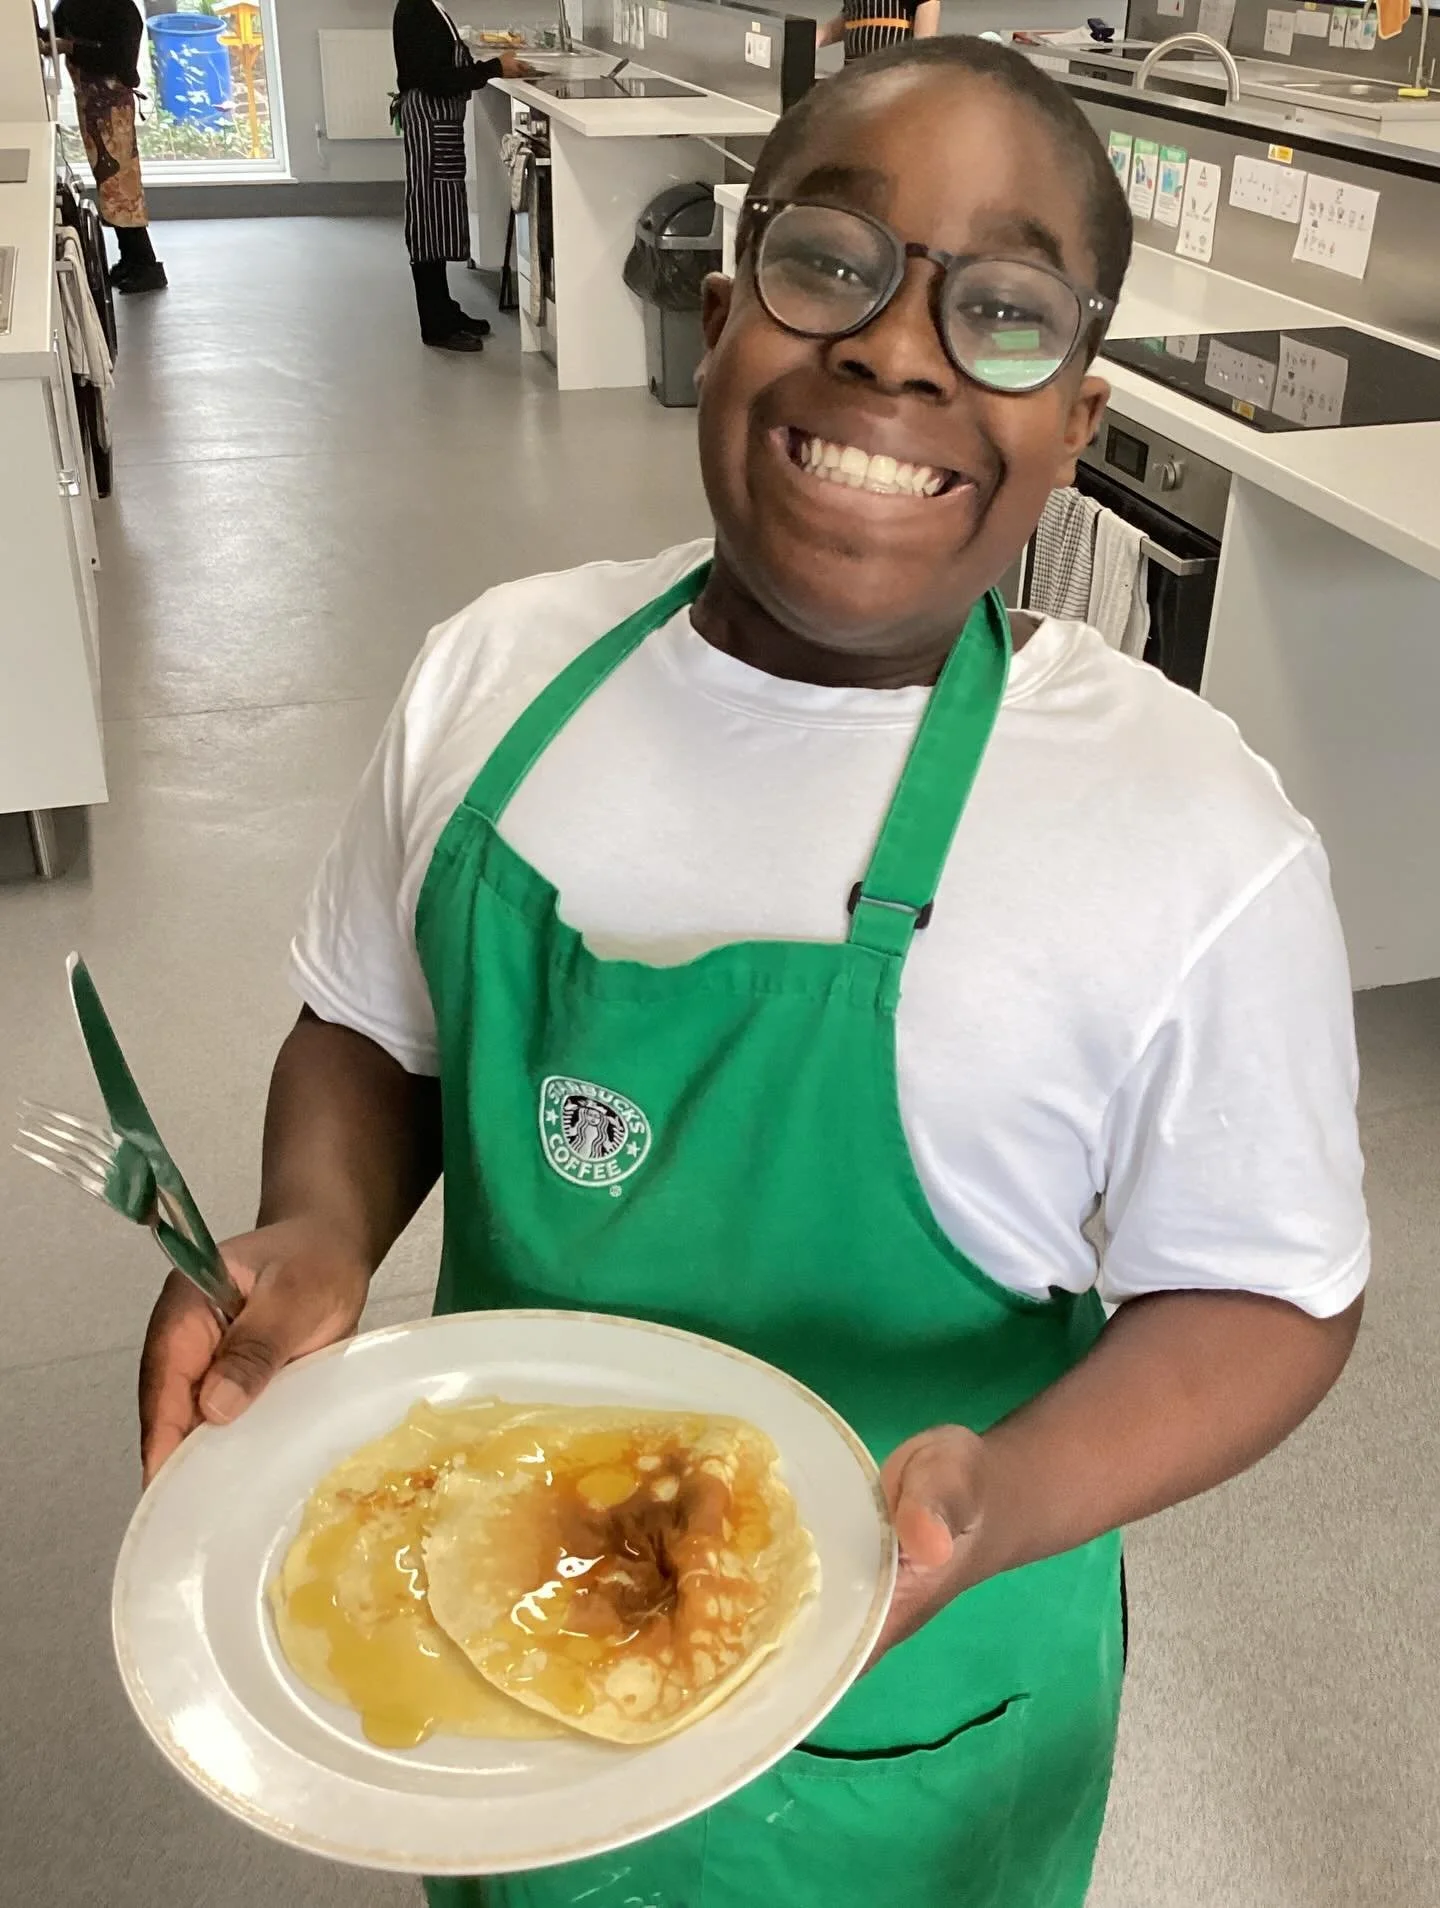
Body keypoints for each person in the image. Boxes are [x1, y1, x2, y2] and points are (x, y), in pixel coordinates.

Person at [138, 36, 1369, 1908]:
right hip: (507, 1678)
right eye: (833, 264)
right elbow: (371, 1026)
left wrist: (1008, 1500)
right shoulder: (495, 677)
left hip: (912, 1723)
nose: (896, 347)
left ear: (1081, 419)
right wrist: (314, 1229)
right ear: (723, 310)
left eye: (1006, 309)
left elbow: (1274, 1295)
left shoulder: (1186, 835)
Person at [392, 0, 532, 352]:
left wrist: (488, 67)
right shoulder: (416, 10)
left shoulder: (429, 7)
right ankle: (435, 325)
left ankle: (444, 309)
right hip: (429, 123)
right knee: (429, 222)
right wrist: (493, 67)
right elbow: (437, 79)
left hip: (439, 125)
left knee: (439, 219)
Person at [42, 0, 166, 293]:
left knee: (122, 187)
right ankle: (131, 259)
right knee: (111, 185)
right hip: (92, 105)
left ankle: (146, 265)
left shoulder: (120, 9)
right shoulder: (75, 4)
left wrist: (70, 48)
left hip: (111, 109)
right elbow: (53, 30)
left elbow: (119, 61)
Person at [818, 0, 940, 64]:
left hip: (892, 71)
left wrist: (917, 66)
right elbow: (850, 18)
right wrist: (809, 39)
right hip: (854, 72)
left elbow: (923, 43)